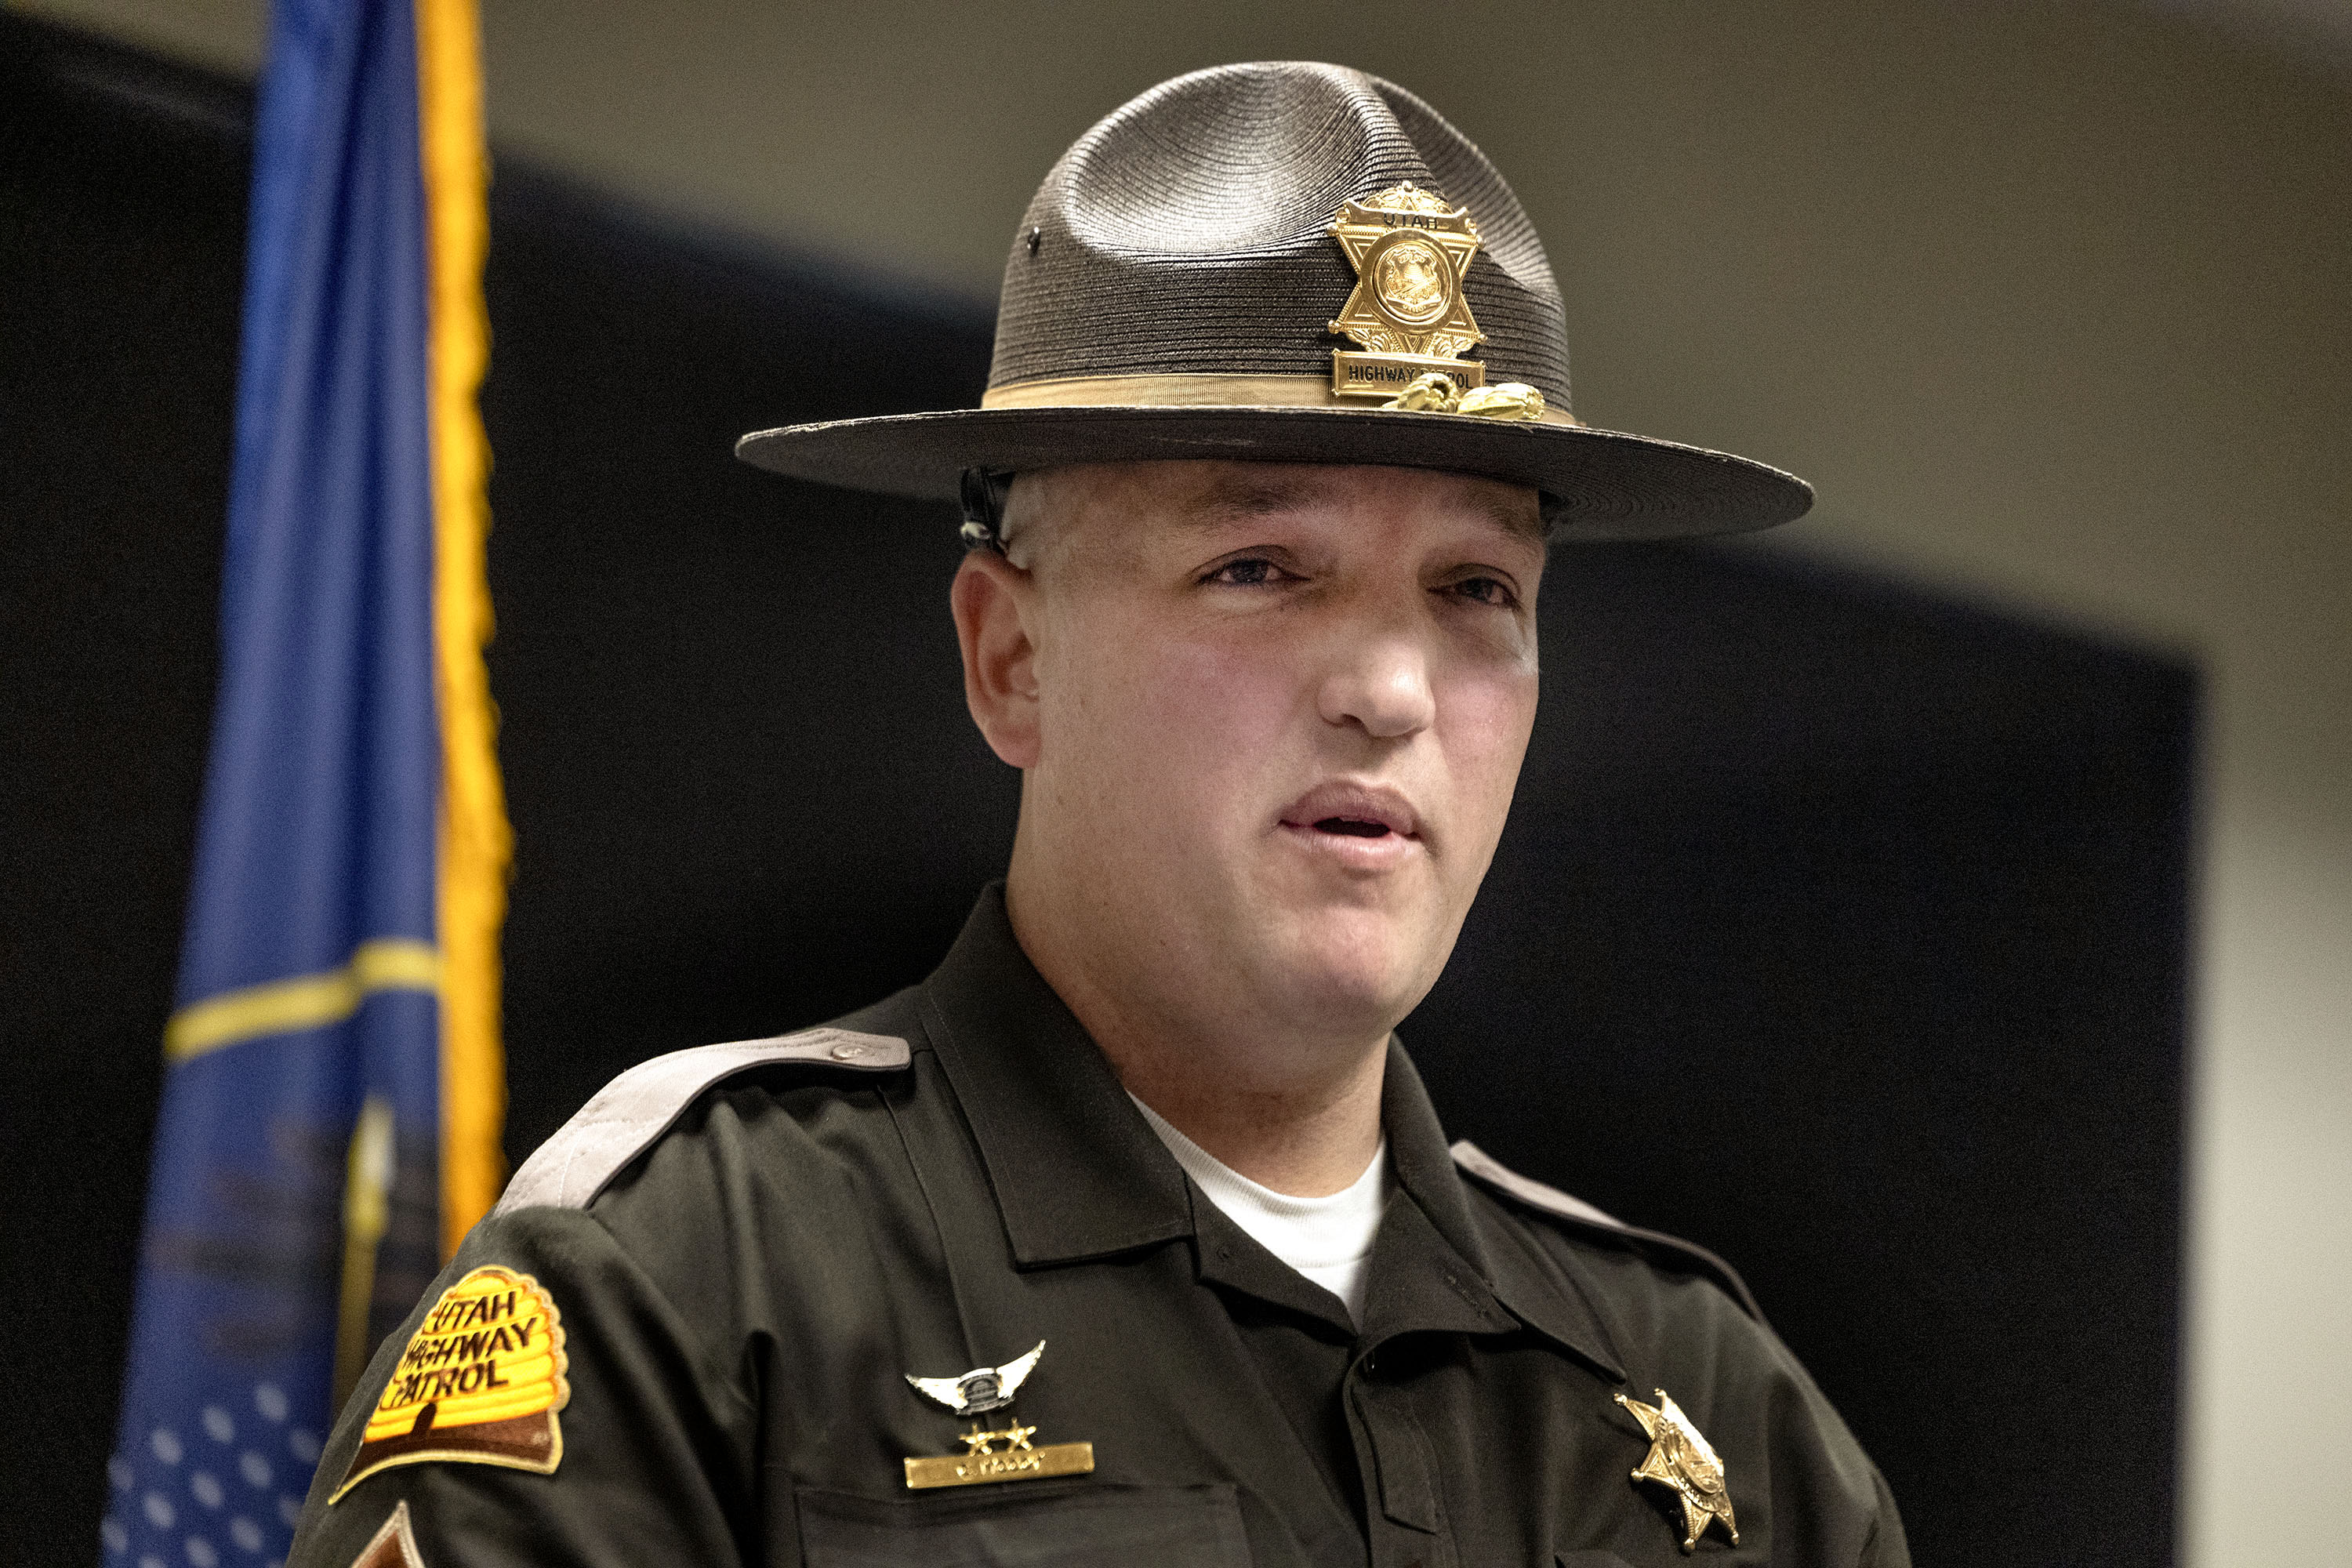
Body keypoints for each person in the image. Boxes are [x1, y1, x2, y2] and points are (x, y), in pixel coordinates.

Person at [291, 61, 1907, 1568]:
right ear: (1011, 659)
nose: (1393, 691)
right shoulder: (695, 1287)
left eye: (1476, 587)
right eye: (1260, 569)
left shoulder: (1709, 1411)